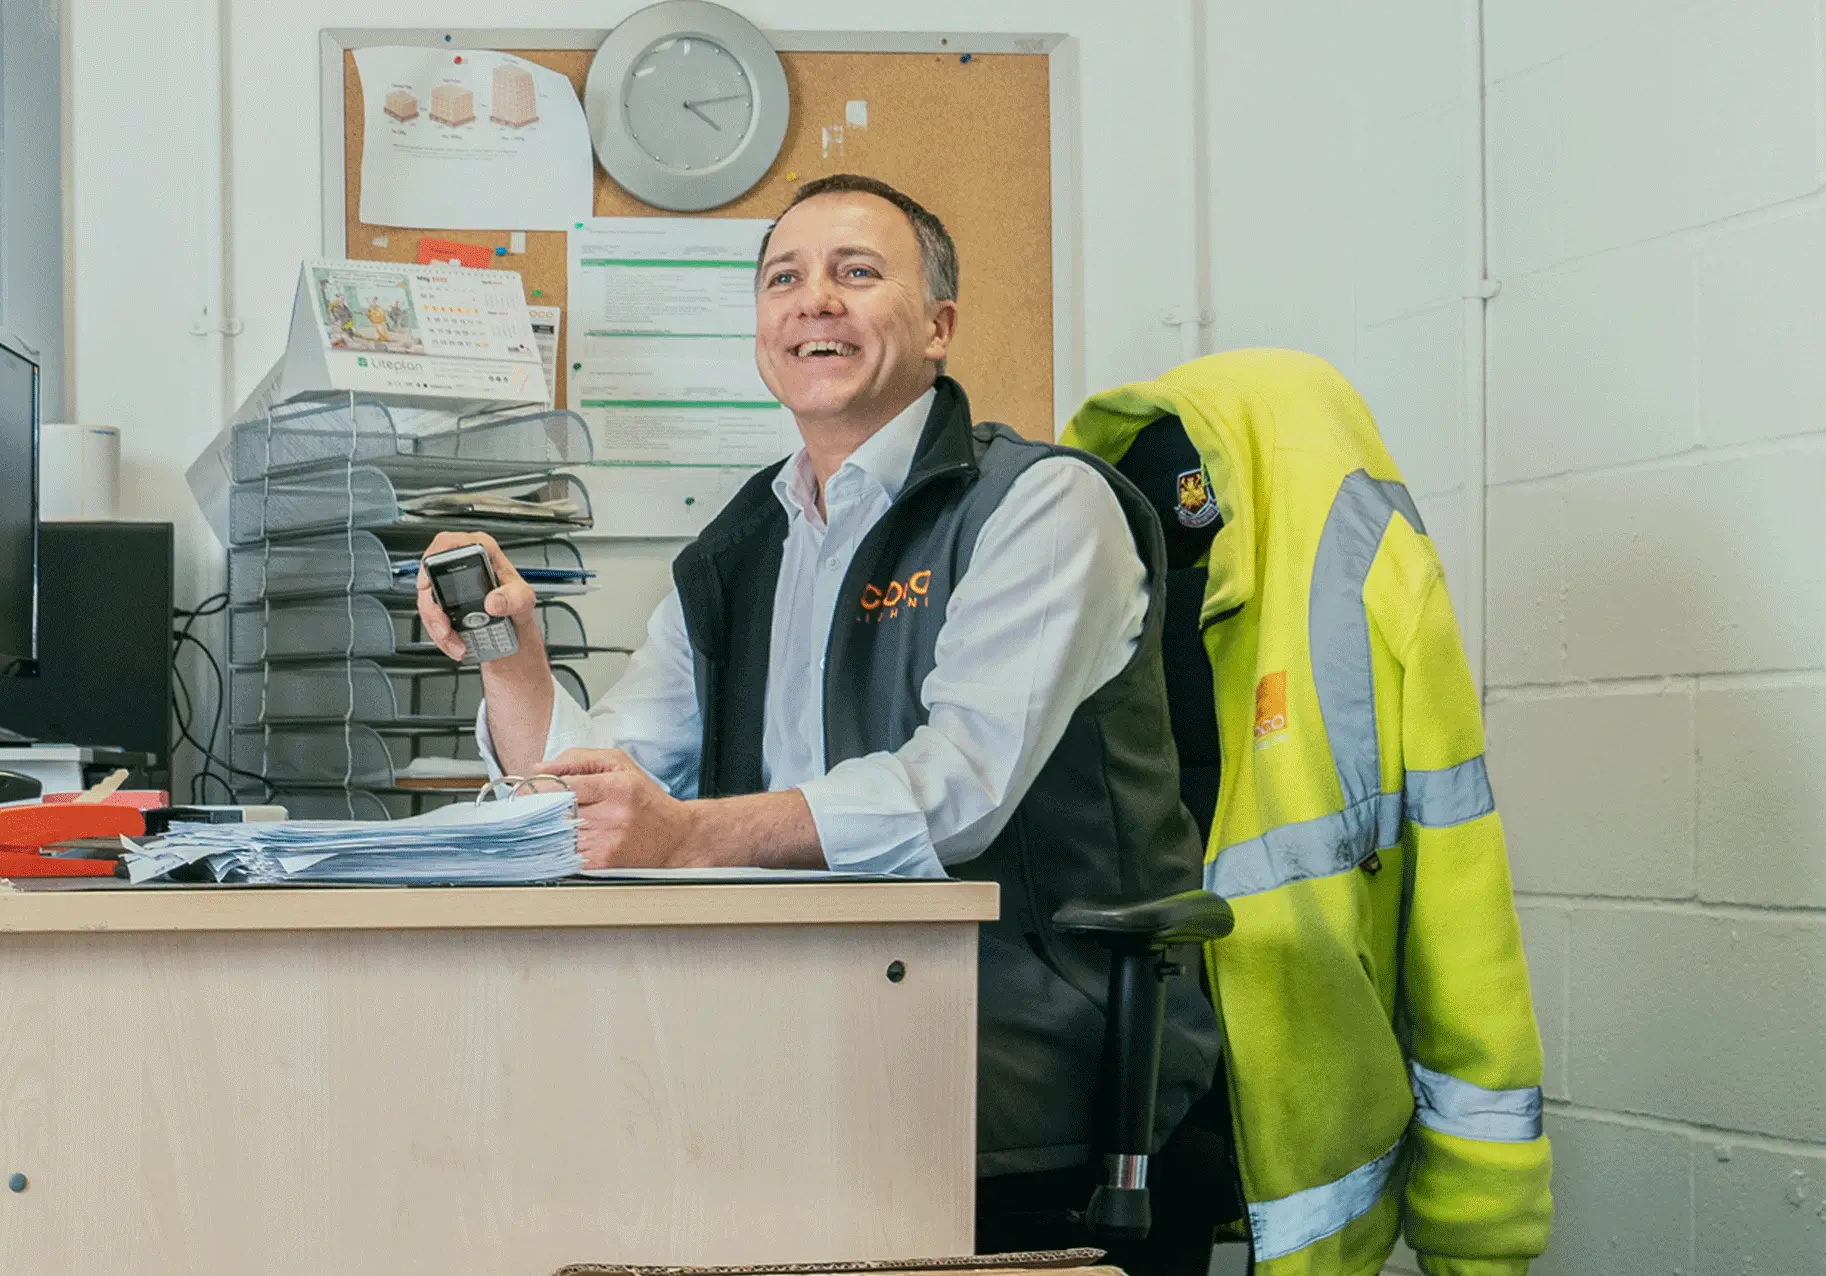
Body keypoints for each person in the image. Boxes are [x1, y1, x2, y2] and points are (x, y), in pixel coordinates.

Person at [417, 175, 1231, 1273]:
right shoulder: (740, 544)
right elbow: (589, 789)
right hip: (791, 1014)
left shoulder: (1044, 507)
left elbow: (956, 792)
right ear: (761, 333)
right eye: (784, 279)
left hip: (1028, 1026)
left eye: (857, 273)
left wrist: (691, 835)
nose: (814, 302)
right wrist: (510, 662)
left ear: (940, 326)